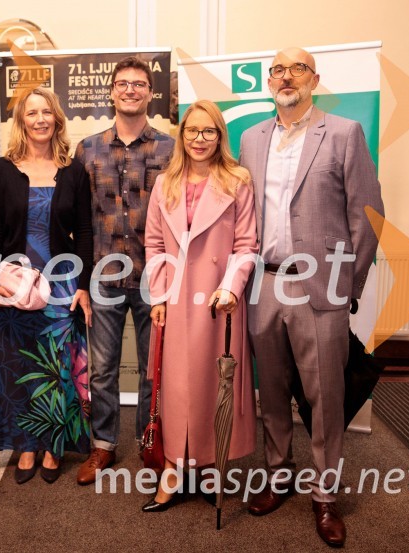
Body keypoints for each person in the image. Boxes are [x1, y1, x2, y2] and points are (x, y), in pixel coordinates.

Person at [238, 47, 384, 547]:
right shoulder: (252, 139)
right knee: (272, 390)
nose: (286, 76)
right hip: (264, 284)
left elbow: (367, 217)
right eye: (277, 69)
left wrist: (349, 286)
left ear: (314, 79)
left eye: (297, 68)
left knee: (325, 396)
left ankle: (325, 496)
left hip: (320, 287)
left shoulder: (343, 133)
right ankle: (278, 473)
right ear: (268, 81)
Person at [141, 100, 258, 512]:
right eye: (192, 131)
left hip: (218, 303)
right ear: (182, 135)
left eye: (209, 131)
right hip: (175, 300)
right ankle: (172, 470)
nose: (200, 139)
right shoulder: (165, 183)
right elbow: (154, 244)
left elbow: (247, 245)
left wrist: (231, 288)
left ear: (220, 136)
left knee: (212, 386)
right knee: (175, 387)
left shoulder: (237, 181)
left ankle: (210, 468)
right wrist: (157, 296)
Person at [0, 87, 94, 484]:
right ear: (21, 121)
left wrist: (83, 285)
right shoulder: (2, 169)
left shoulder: (73, 170)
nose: (41, 119)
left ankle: (53, 446)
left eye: (48, 111)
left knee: (58, 369)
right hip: (15, 287)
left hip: (62, 288)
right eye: (32, 113)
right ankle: (25, 444)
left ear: (57, 118)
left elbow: (84, 231)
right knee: (19, 367)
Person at [74, 56, 175, 485]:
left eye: (139, 84)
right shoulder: (88, 148)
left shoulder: (173, 149)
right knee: (103, 369)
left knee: (156, 368)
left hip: (156, 279)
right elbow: (78, 221)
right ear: (111, 92)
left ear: (150, 93)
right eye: (122, 84)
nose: (130, 90)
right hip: (103, 279)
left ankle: (151, 442)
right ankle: (103, 446)